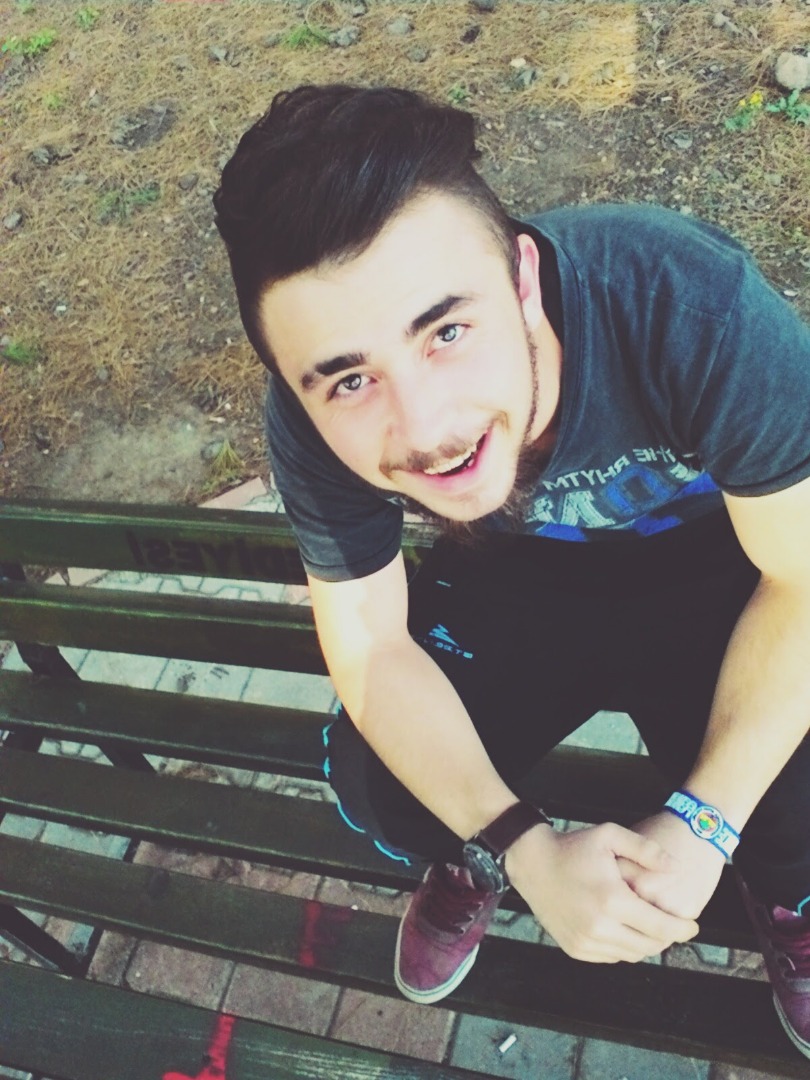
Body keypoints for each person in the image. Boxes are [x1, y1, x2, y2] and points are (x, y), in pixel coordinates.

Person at [214, 84, 810, 1053]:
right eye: (352, 379)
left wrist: (706, 822)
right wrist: (519, 846)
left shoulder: (687, 304)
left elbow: (805, 580)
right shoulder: (308, 422)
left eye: (447, 332)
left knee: (799, 795)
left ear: (524, 278)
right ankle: (472, 864)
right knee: (379, 777)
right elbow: (371, 646)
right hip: (512, 576)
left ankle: (791, 901)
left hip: (723, 566)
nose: (428, 430)